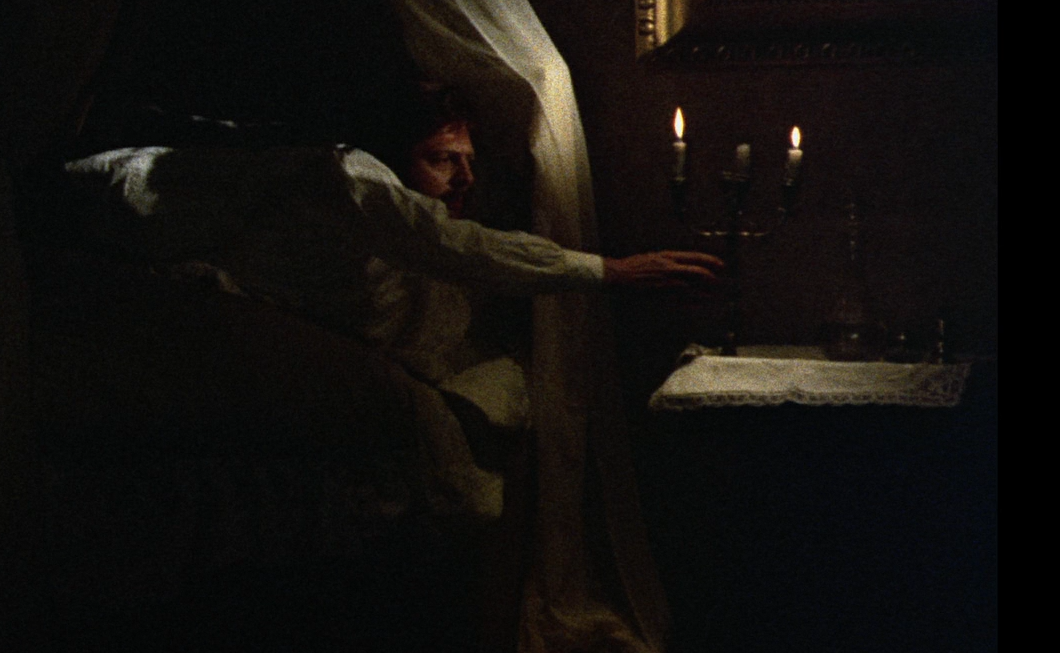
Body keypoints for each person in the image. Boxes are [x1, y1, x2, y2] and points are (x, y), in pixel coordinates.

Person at [58, 88, 720, 516]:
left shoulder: (401, 245)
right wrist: (610, 270)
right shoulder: (355, 181)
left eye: (468, 160)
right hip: (108, 224)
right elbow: (454, 245)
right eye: (441, 159)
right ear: (398, 158)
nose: (464, 178)